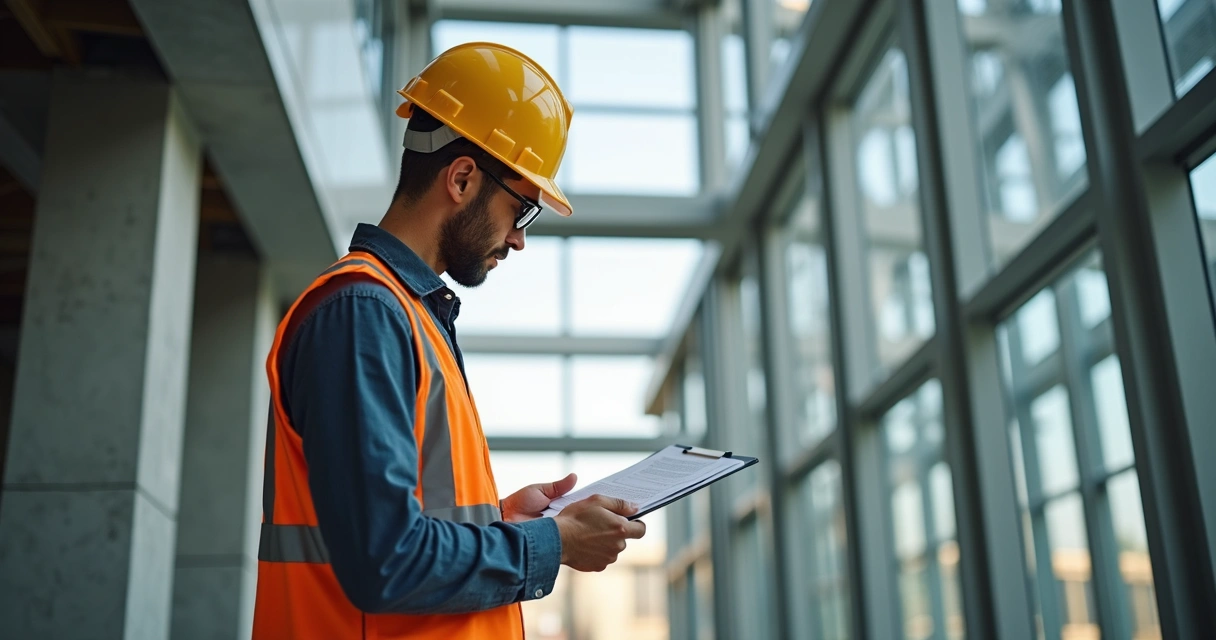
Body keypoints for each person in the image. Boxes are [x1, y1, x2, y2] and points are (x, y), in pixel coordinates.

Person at [251, 43, 647, 639]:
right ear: (462, 179)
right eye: (521, 209)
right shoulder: (364, 314)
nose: (518, 239)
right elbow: (384, 561)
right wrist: (553, 542)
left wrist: (504, 522)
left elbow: (393, 530)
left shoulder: (406, 315)